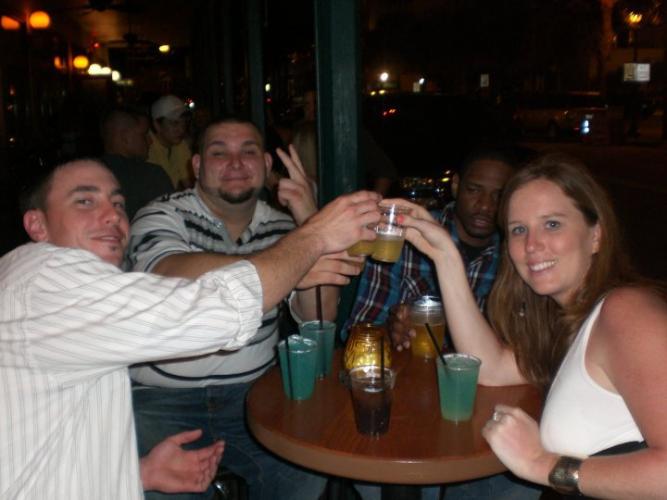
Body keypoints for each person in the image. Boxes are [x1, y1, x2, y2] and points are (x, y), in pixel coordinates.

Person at [0, 158, 380, 500]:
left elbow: (44, 447)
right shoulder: (48, 283)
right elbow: (216, 308)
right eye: (85, 201)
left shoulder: (40, 284)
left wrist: (140, 473)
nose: (112, 215)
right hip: (162, 398)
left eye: (117, 203)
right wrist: (315, 235)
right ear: (37, 224)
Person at [400, 153, 667, 498]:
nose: (531, 245)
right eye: (518, 230)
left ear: (596, 235)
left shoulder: (626, 312)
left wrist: (541, 464)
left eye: (552, 224)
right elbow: (490, 367)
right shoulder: (571, 324)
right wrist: (445, 256)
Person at [127, 117, 365, 500]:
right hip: (160, 398)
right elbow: (167, 274)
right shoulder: (161, 214)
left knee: (305, 476)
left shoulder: (288, 231)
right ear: (197, 166)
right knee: (166, 492)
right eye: (219, 153)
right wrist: (288, 261)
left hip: (253, 394)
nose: (235, 163)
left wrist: (309, 219)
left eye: (249, 152)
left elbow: (319, 317)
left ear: (267, 166)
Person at [346, 148, 516, 346]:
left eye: (499, 195)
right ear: (456, 185)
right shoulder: (404, 237)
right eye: (474, 190)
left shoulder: (515, 256)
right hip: (409, 366)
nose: (486, 205)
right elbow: (361, 331)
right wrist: (390, 331)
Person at [100, 108, 174, 220]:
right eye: (144, 134)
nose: (150, 141)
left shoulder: (85, 176)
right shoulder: (152, 176)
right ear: (125, 137)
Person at [149, 95, 194, 190]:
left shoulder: (180, 144)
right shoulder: (146, 147)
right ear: (157, 125)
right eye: (174, 123)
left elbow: (189, 185)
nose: (181, 130)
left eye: (184, 123)